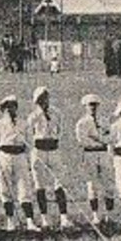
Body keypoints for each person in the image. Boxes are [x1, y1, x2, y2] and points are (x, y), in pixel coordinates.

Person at [0, 95, 36, 232]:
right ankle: (10, 221)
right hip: (4, 156)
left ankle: (30, 221)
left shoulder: (24, 123)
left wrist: (25, 156)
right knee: (5, 190)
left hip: (20, 156)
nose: (10, 109)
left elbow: (30, 142)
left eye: (13, 106)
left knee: (25, 189)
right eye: (7, 107)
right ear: (3, 110)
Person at [27, 86, 72, 230]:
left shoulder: (56, 113)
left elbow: (61, 130)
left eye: (45, 98)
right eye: (40, 99)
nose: (43, 101)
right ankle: (44, 219)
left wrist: (55, 140)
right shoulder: (33, 117)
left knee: (60, 183)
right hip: (39, 150)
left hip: (54, 150)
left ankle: (64, 218)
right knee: (40, 185)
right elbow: (29, 136)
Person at [75, 93, 110, 227]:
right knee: (92, 185)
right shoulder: (82, 123)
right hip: (90, 154)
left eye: (95, 105)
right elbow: (83, 141)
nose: (93, 108)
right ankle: (95, 215)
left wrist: (96, 138)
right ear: (85, 106)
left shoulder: (104, 121)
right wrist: (99, 139)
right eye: (90, 105)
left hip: (103, 153)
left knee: (108, 183)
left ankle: (108, 214)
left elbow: (109, 138)